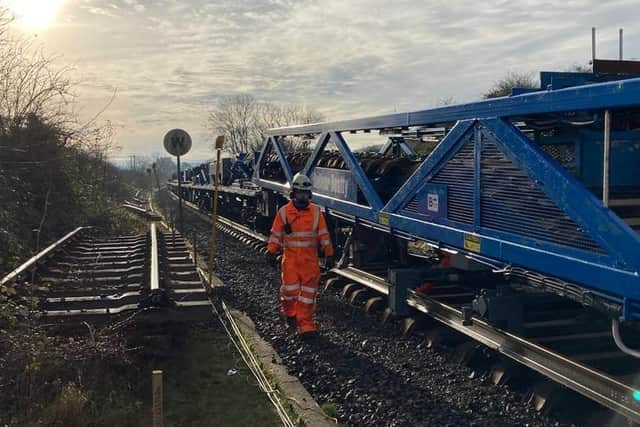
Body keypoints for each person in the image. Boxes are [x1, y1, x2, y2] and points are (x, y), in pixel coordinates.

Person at [266, 173, 334, 339]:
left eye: (304, 193)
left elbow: (323, 235)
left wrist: (329, 253)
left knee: (307, 297)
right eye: (299, 193)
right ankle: (290, 314)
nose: (302, 196)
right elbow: (276, 234)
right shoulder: (284, 213)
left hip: (310, 262)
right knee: (289, 292)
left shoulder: (316, 213)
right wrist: (271, 250)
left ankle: (306, 326)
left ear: (309, 194)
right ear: (293, 193)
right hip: (290, 261)